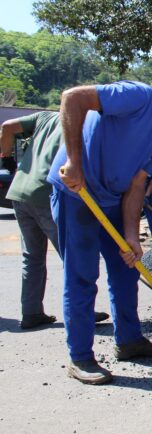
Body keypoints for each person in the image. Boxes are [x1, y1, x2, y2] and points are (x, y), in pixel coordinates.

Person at [48, 70, 152, 384]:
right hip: (77, 192)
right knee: (82, 275)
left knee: (127, 266)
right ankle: (80, 357)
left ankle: (129, 340)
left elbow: (137, 186)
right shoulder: (137, 96)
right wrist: (75, 161)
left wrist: (131, 237)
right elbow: (73, 98)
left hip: (111, 199)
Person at [0, 112, 109, 330]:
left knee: (32, 256)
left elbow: (7, 126)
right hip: (48, 194)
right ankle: (81, 311)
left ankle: (31, 312)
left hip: (20, 192)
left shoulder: (44, 117)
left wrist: (6, 157)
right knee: (73, 255)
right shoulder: (84, 122)